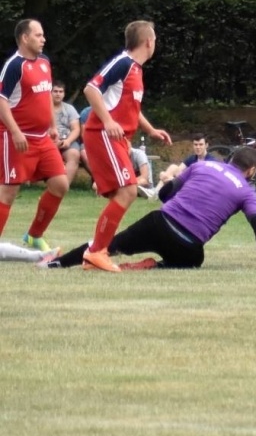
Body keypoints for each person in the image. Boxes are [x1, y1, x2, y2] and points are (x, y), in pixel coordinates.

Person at [51, 146, 256, 270]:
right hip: (188, 245)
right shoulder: (246, 191)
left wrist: (172, 208)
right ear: (252, 170)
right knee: (195, 261)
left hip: (159, 222)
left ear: (231, 159)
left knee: (106, 244)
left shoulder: (203, 165)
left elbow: (167, 191)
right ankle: (153, 266)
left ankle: (57, 264)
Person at [80, 20, 173, 273]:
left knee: (121, 194)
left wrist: (150, 129)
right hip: (103, 134)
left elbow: (132, 107)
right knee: (129, 191)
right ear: (148, 42)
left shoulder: (136, 70)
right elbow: (91, 89)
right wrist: (108, 121)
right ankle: (96, 252)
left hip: (118, 139)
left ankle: (95, 254)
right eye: (155, 40)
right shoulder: (122, 63)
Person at [0, 19, 71, 251]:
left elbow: (46, 97)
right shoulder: (14, 66)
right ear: (25, 38)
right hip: (17, 138)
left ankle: (33, 235)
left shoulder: (44, 62)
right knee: (9, 191)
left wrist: (52, 125)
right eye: (38, 35)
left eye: (43, 35)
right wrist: (15, 131)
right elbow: (1, 101)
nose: (43, 39)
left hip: (42, 138)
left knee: (60, 184)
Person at [157, 133, 222, 187]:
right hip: (188, 182)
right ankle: (155, 193)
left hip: (200, 186)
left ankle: (155, 193)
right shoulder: (192, 158)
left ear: (206, 145)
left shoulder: (210, 161)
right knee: (173, 167)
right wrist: (167, 176)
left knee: (168, 178)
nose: (198, 147)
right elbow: (179, 170)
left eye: (201, 145)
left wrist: (172, 179)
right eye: (196, 145)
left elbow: (201, 179)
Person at [52, 82, 82, 183]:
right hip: (48, 141)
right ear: (50, 93)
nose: (58, 94)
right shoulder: (42, 108)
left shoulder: (69, 108)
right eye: (55, 91)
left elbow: (76, 129)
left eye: (61, 92)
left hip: (67, 141)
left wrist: (68, 141)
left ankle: (64, 186)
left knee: (74, 154)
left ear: (64, 94)